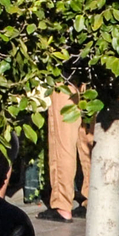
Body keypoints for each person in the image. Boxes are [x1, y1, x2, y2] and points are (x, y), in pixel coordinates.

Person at [43, 88, 89, 223]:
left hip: (65, 77)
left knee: (63, 140)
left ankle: (62, 205)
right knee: (88, 140)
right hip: (92, 75)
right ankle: (92, 201)